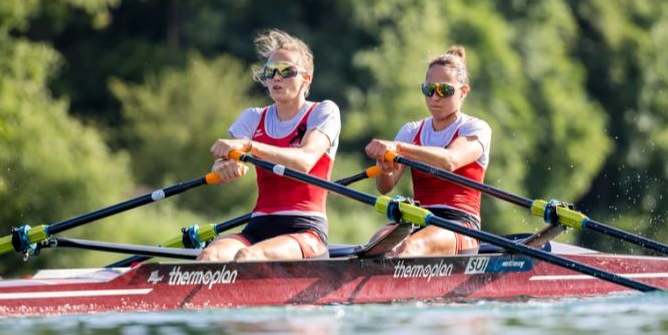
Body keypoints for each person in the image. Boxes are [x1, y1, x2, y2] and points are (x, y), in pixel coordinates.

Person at [199, 29, 340, 262]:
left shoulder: (324, 111)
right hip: (258, 227)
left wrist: (250, 147)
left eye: (286, 71)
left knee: (248, 256)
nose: (276, 77)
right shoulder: (252, 118)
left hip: (305, 230)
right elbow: (226, 162)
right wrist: (223, 166)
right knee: (210, 254)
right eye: (270, 71)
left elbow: (304, 161)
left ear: (307, 78)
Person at [364, 45, 491, 256]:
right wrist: (384, 167)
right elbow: (384, 187)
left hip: (460, 225)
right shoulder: (411, 130)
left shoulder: (475, 128)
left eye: (445, 90)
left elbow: (450, 160)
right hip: (418, 219)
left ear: (463, 92)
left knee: (409, 246)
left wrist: (399, 149)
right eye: (429, 89)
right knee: (376, 245)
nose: (435, 97)